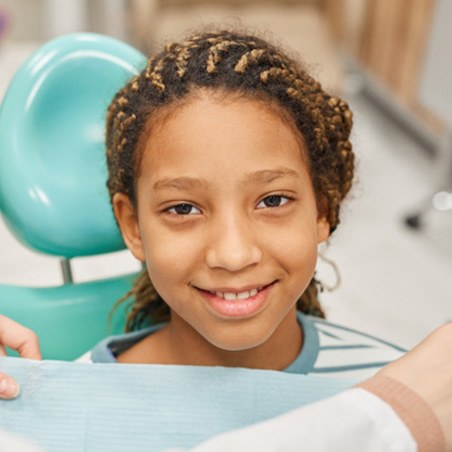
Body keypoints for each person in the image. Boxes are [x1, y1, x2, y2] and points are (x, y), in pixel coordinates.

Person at [0, 29, 450, 450]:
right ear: (133, 225)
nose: (233, 255)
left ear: (322, 210)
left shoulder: (398, 380)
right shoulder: (67, 416)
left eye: (272, 200)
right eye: (183, 208)